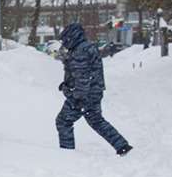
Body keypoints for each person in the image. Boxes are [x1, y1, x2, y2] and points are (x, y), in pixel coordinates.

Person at [56, 22, 132, 156]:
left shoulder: (80, 51)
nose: (64, 42)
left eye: (66, 39)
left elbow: (82, 77)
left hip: (83, 95)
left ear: (72, 37)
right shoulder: (85, 47)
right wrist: (67, 85)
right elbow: (81, 74)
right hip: (93, 92)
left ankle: (66, 155)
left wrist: (77, 97)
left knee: (63, 121)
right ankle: (122, 146)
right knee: (95, 120)